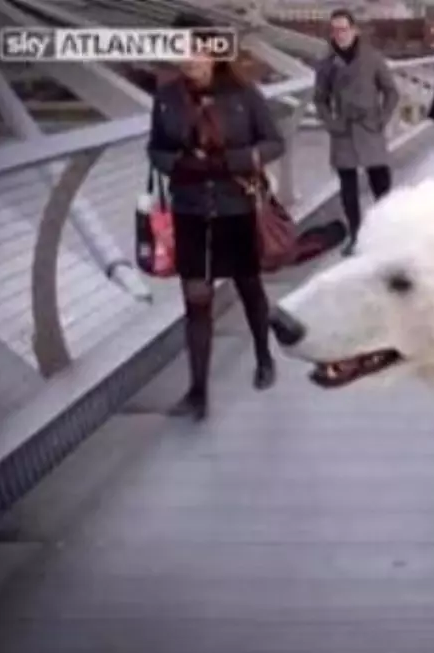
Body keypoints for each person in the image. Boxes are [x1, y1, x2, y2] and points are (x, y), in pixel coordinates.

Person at [146, 14, 284, 421]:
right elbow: (154, 148)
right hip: (190, 212)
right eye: (181, 50)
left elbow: (274, 141)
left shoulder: (243, 94)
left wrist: (234, 162)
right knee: (196, 301)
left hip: (235, 209)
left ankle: (263, 356)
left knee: (249, 288)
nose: (188, 58)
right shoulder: (167, 97)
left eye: (195, 49)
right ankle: (198, 392)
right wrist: (179, 165)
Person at [314, 9, 400, 256]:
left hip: (369, 128)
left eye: (343, 29)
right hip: (344, 130)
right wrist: (331, 123)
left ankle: (389, 232)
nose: (339, 34)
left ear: (354, 30)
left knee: (381, 184)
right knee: (348, 189)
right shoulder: (327, 63)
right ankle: (356, 235)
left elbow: (391, 91)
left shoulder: (372, 58)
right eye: (335, 30)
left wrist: (382, 119)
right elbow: (319, 99)